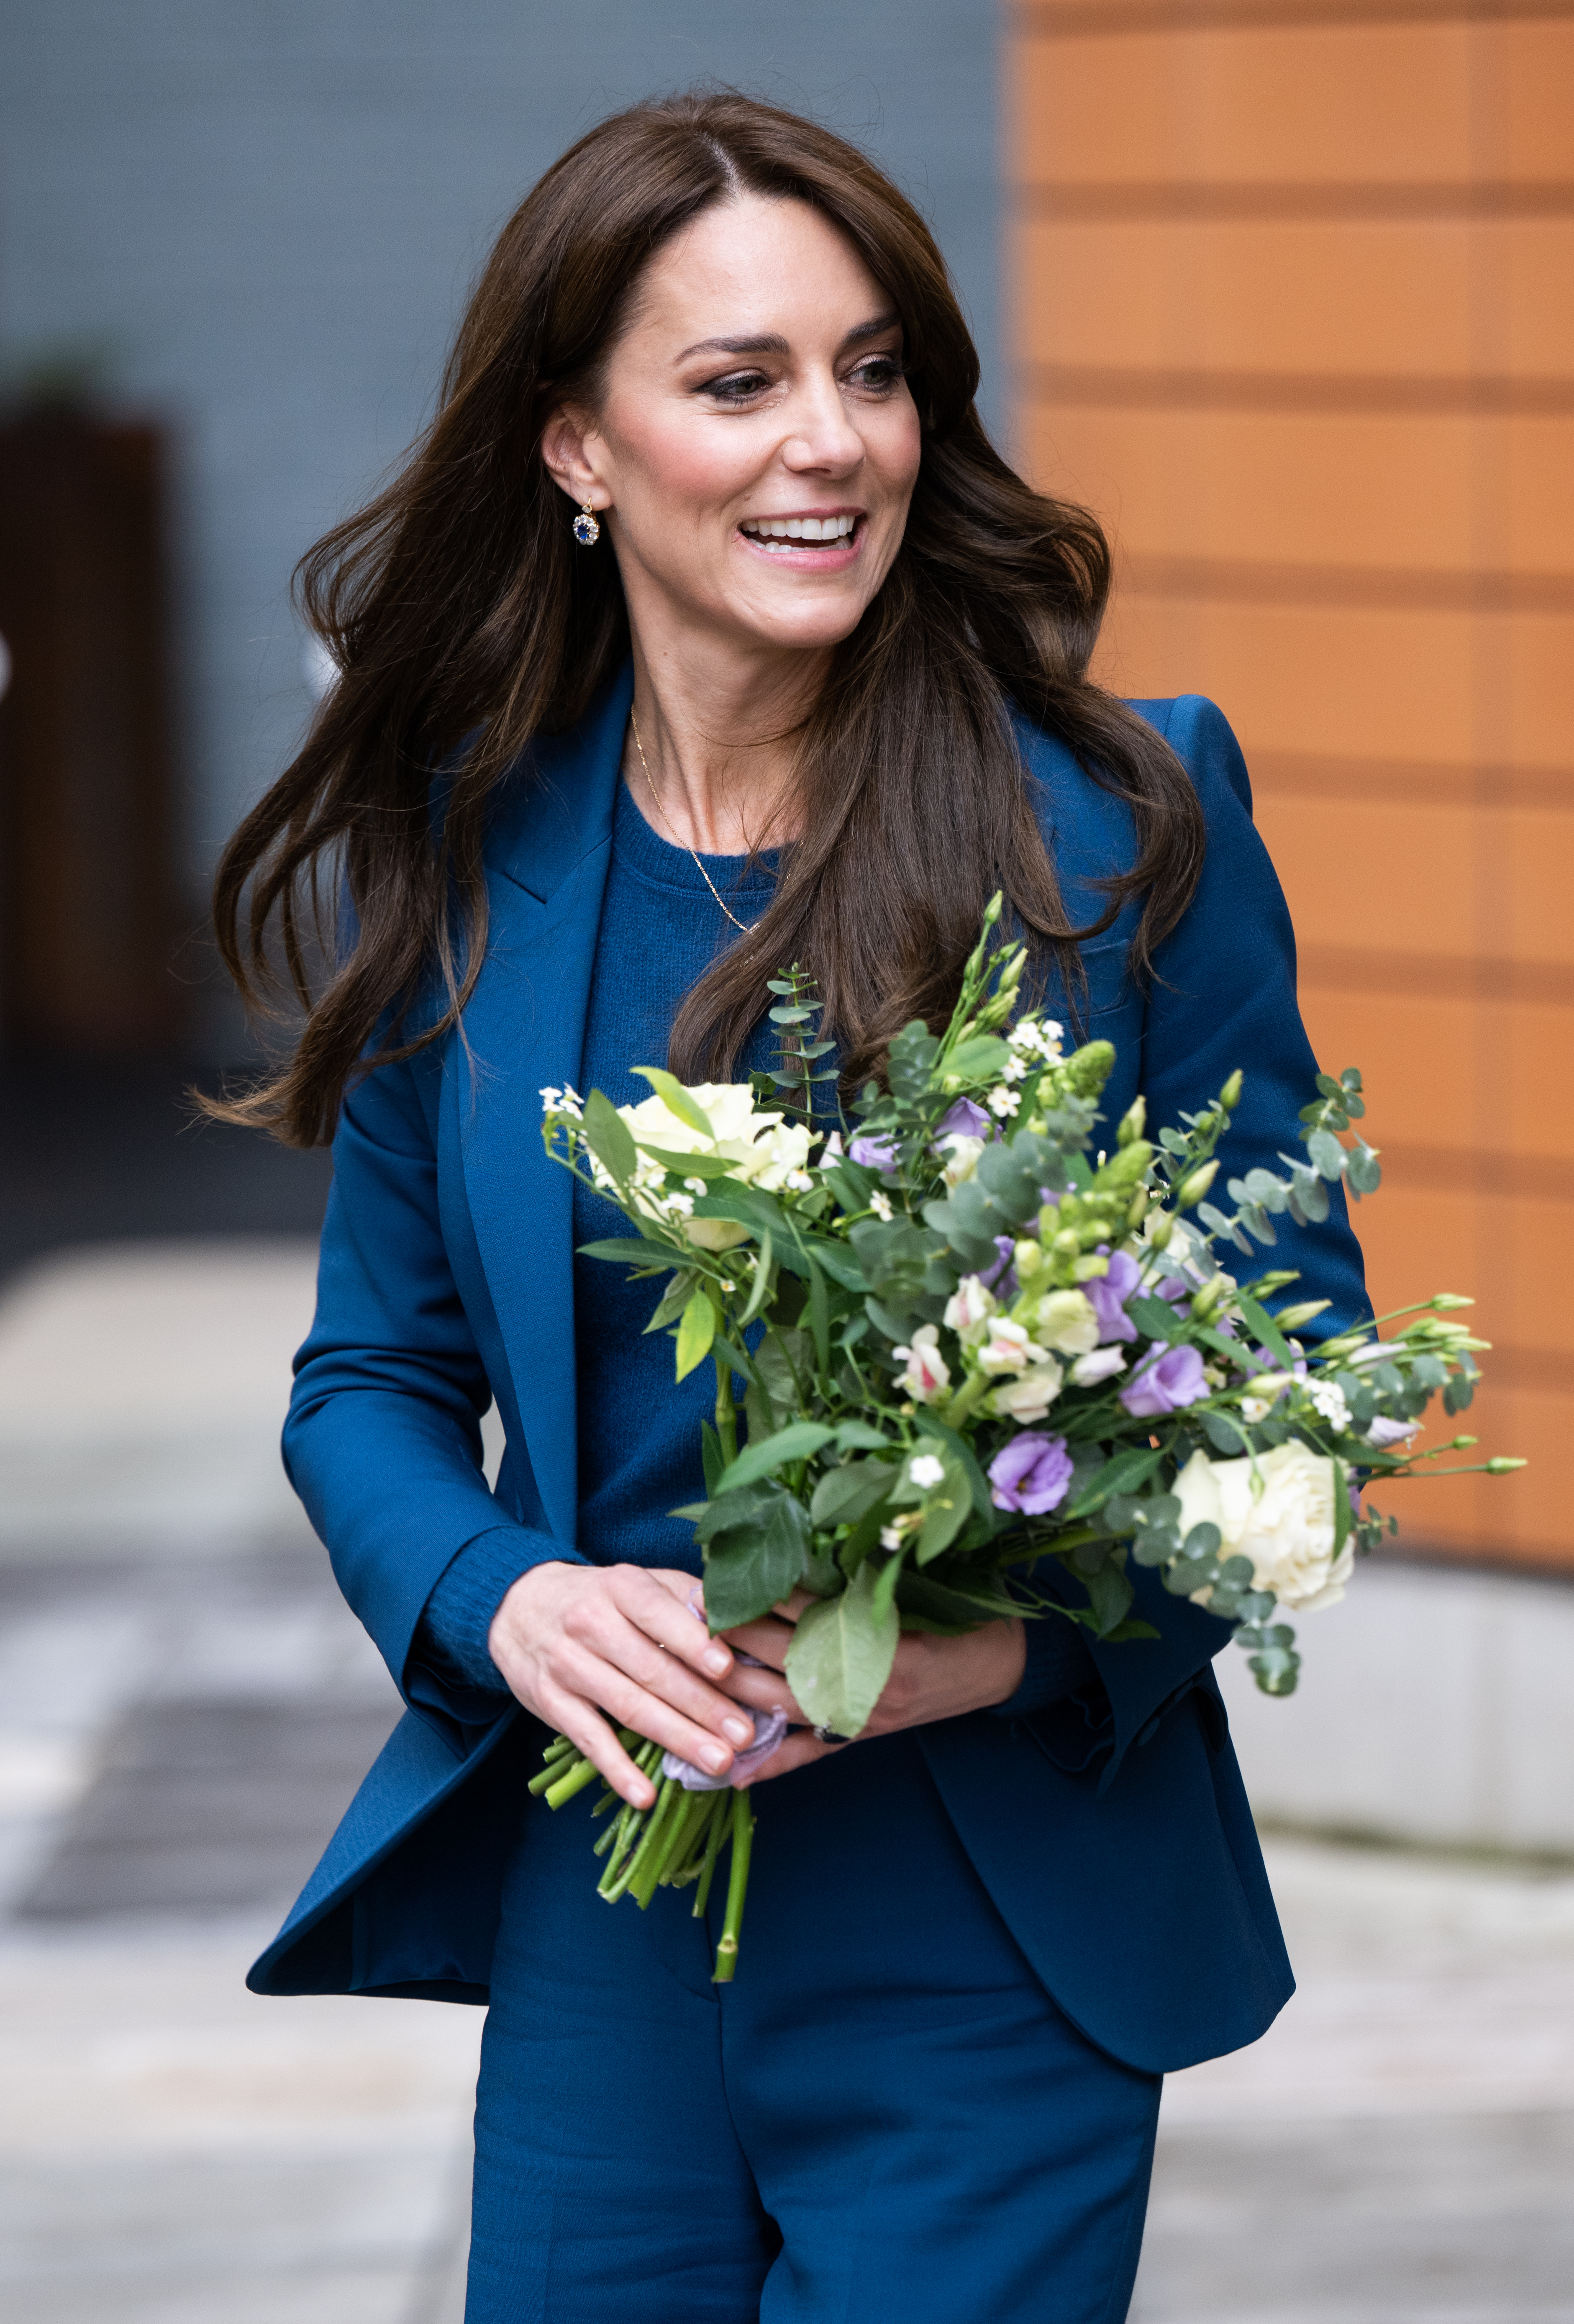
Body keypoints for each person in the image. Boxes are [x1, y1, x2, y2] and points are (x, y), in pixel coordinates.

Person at [213, 90, 1366, 2324]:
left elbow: (1295, 1386)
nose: (823, 442)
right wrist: (496, 1598)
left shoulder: (1121, 821)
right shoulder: (463, 845)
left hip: (991, 1912)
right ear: (577, 446)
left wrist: (1013, 1644)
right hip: (604, 1913)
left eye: (871, 370)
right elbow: (369, 1369)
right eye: (735, 381)